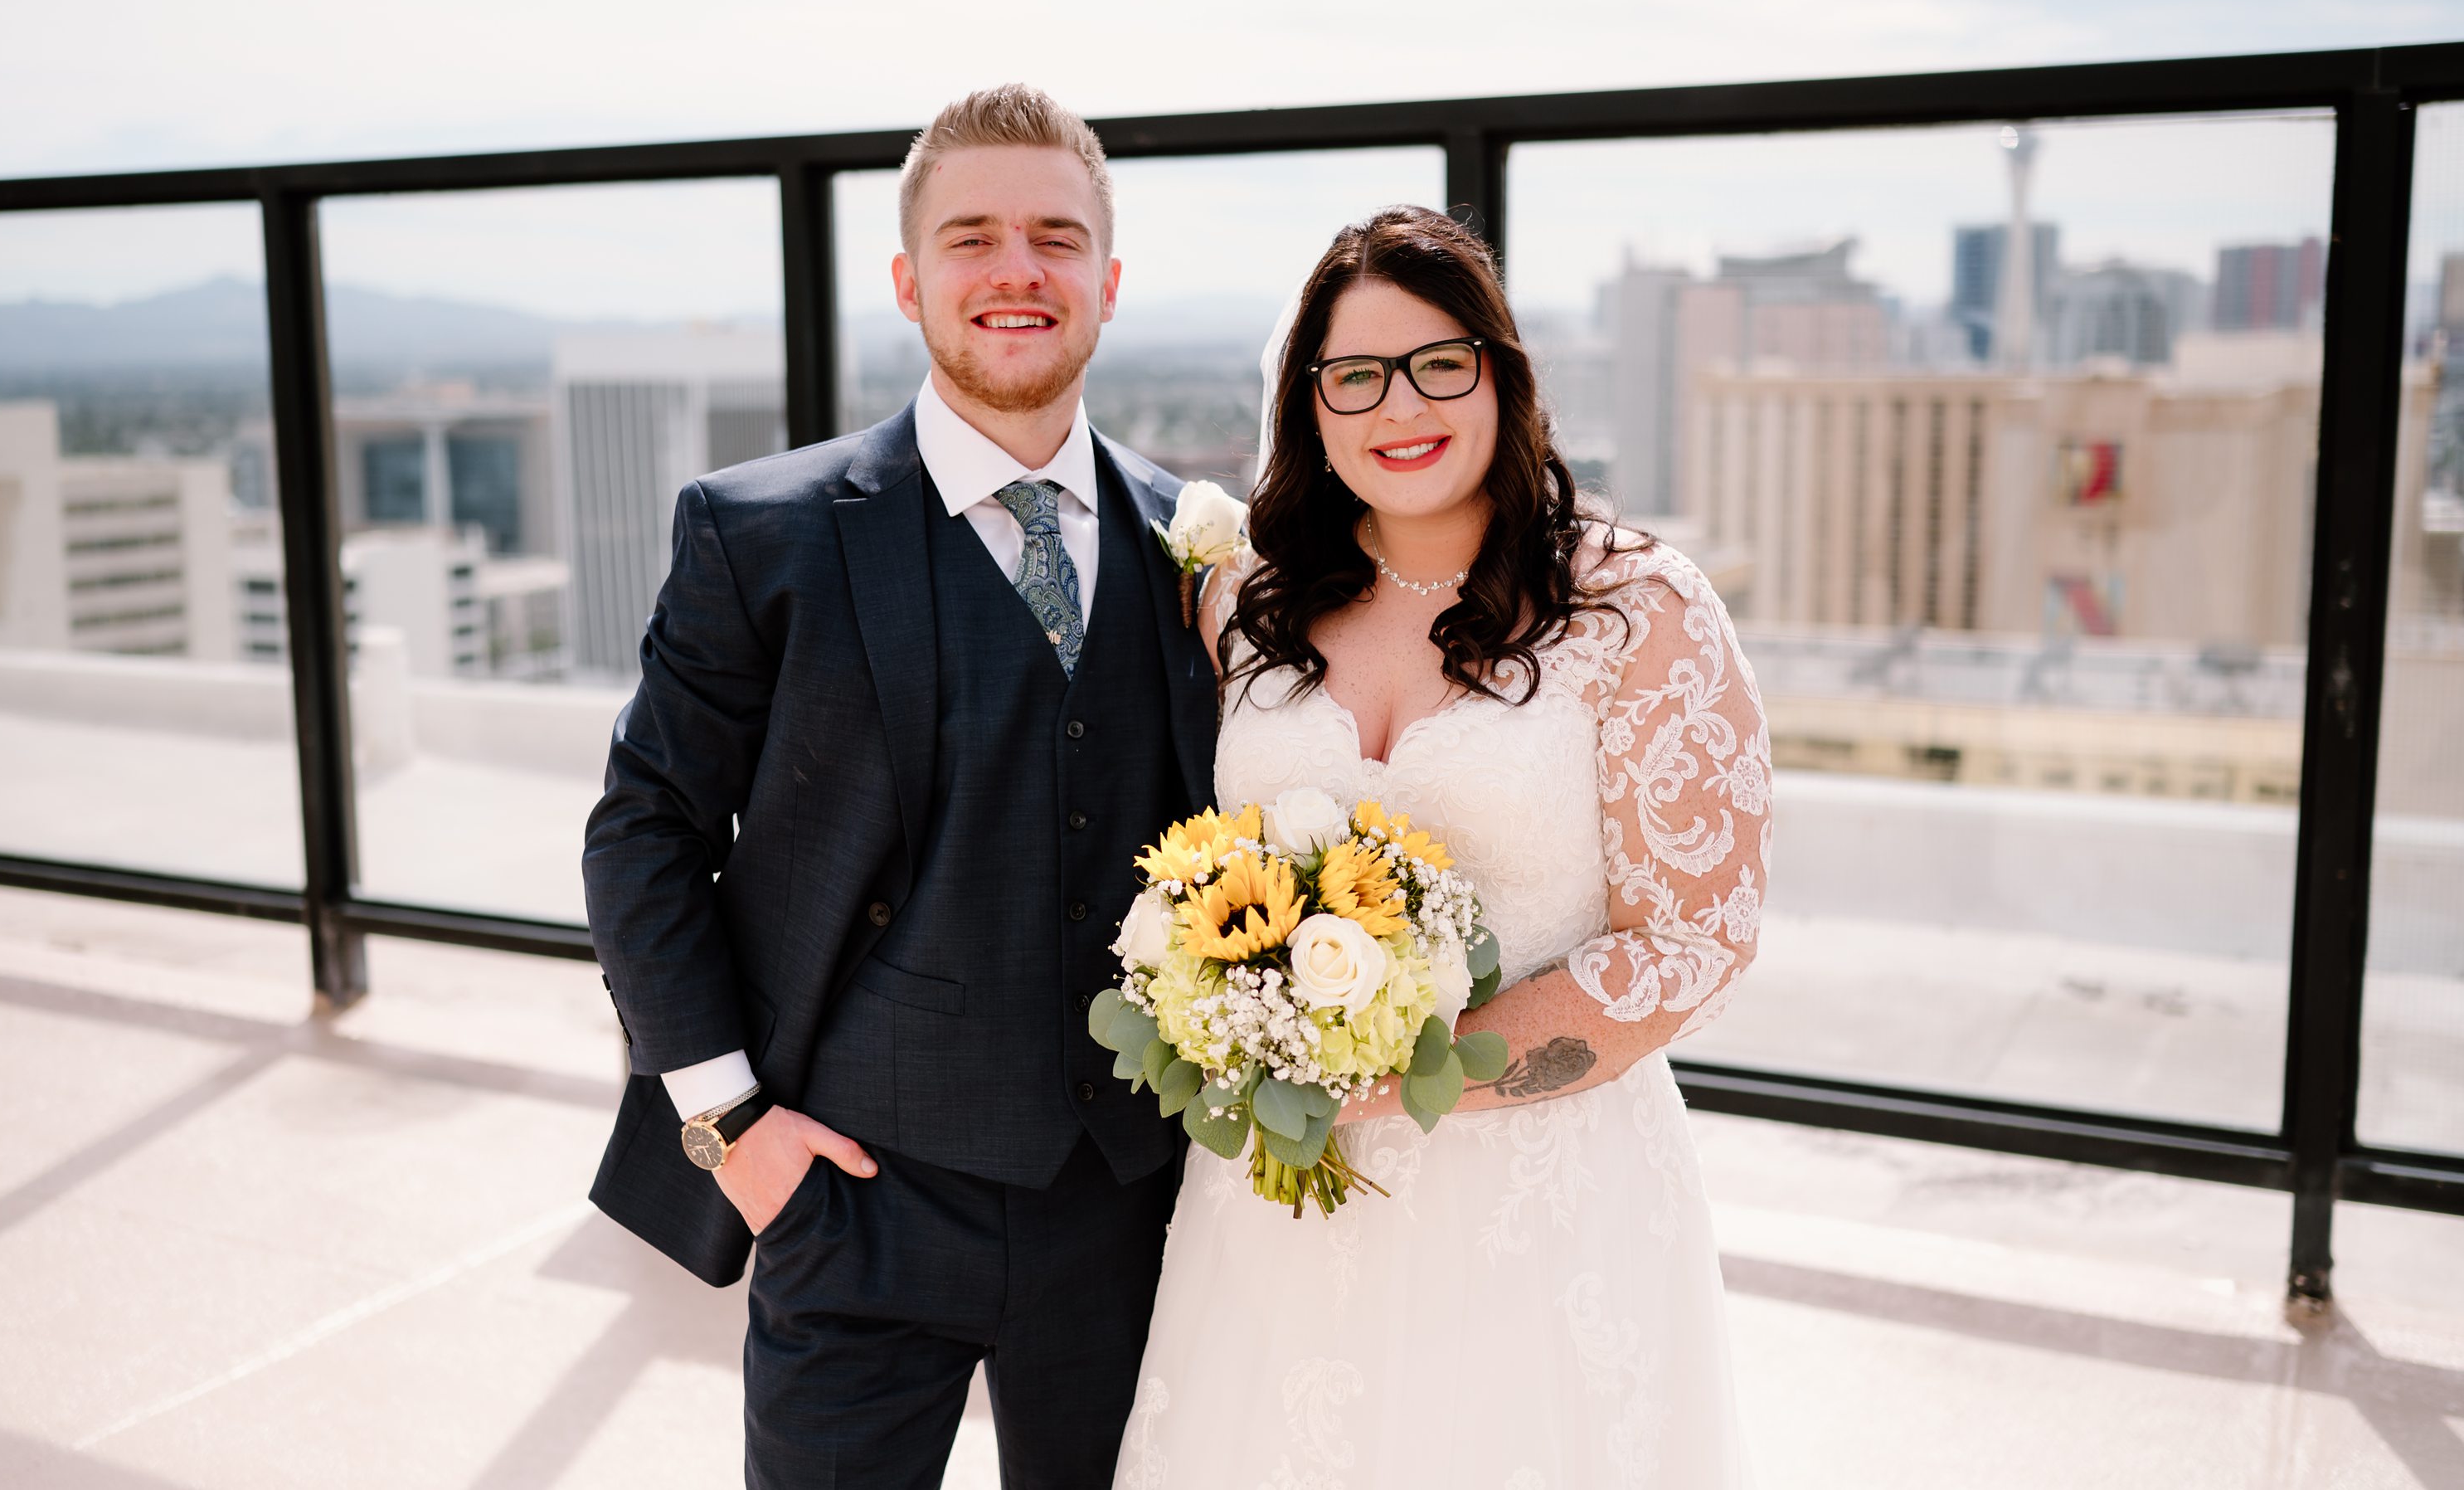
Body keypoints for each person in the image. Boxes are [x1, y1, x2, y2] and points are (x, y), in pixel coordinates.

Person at [582, 84, 1217, 1489]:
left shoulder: (1199, 544)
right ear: (908, 280)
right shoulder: (762, 534)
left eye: (1057, 238)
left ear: (1106, 284)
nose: (1016, 269)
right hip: (850, 1192)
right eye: (973, 236)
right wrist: (730, 1126)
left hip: (1129, 1207)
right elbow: (645, 833)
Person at [1115, 206, 1771, 1488]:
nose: (1396, 405)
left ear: (1501, 374)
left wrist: (1415, 1069)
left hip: (1545, 1205)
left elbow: (1696, 937)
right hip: (1277, 1197)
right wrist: (1245, 1012)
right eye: (1354, 374)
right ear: (1309, 403)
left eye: (1437, 362)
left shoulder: (1634, 609)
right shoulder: (1244, 607)